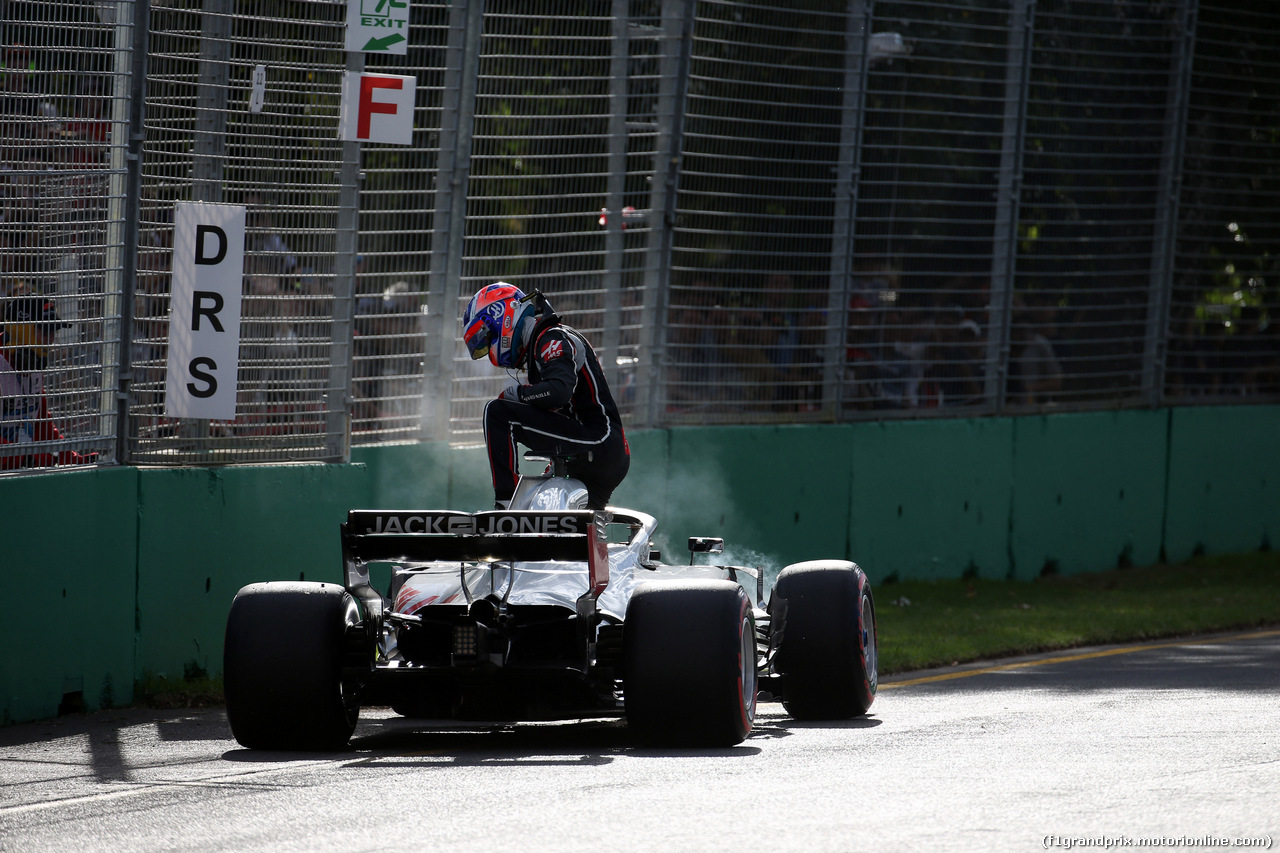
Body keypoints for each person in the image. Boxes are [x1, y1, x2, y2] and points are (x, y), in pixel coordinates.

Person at [462, 282, 629, 510]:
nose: (490, 349)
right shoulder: (543, 343)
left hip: (598, 443)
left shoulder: (552, 338)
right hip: (602, 452)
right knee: (577, 538)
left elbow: (557, 393)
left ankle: (505, 503)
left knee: (497, 412)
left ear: (503, 318)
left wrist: (517, 394)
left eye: (488, 339)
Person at [0, 296, 96, 469]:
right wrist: (28, 458)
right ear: (21, 330)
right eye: (45, 331)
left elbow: (42, 423)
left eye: (54, 331)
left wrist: (71, 459)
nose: (51, 339)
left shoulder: (32, 363)